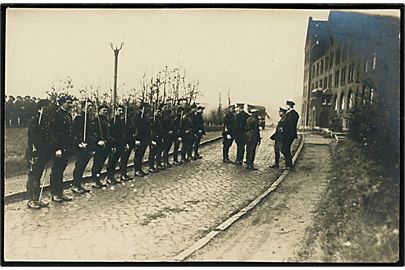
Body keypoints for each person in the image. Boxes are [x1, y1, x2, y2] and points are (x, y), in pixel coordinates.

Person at [25, 99, 53, 209]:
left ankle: (37, 198)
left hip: (44, 152)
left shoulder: (46, 120)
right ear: (40, 108)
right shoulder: (34, 120)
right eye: (46, 107)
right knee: (33, 176)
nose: (48, 109)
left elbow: (48, 136)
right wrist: (35, 150)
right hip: (35, 152)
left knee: (38, 175)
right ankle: (30, 200)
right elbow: (32, 137)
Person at [49, 95, 74, 202]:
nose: (70, 105)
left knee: (61, 170)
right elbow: (53, 133)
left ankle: (60, 192)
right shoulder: (55, 115)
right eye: (68, 102)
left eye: (70, 102)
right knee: (56, 171)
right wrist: (57, 148)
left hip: (66, 147)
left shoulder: (68, 115)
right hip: (58, 147)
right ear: (62, 103)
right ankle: (54, 193)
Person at [71, 99, 97, 193]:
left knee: (83, 165)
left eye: (91, 106)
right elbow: (75, 132)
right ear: (83, 107)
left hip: (88, 145)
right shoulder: (79, 118)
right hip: (81, 145)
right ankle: (75, 184)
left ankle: (79, 184)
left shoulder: (89, 118)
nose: (90, 108)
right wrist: (79, 142)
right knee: (79, 165)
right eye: (88, 106)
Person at [106, 105, 128, 184]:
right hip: (113, 144)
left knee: (115, 161)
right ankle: (109, 177)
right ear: (115, 111)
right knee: (111, 162)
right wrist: (112, 145)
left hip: (120, 144)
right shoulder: (112, 121)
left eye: (122, 110)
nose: (121, 112)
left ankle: (112, 177)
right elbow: (109, 134)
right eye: (119, 110)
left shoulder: (121, 122)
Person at [91, 104, 110, 188]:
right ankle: (95, 180)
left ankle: (98, 179)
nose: (105, 112)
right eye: (103, 110)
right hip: (98, 145)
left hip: (106, 144)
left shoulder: (106, 120)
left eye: (106, 111)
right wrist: (97, 141)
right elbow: (93, 133)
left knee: (101, 163)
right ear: (99, 111)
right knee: (97, 163)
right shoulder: (96, 120)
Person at [133, 102, 151, 177]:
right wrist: (136, 139)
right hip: (139, 139)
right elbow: (136, 129)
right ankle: (137, 169)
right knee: (138, 155)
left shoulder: (144, 117)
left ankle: (139, 168)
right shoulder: (137, 117)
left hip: (144, 138)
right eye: (146, 108)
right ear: (142, 108)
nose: (148, 110)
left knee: (141, 154)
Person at [282, 100, 300, 170]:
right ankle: (288, 164)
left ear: (289, 106)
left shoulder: (291, 114)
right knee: (285, 149)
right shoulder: (293, 114)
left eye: (287, 105)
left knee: (285, 149)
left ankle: (289, 165)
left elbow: (289, 125)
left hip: (289, 134)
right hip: (290, 134)